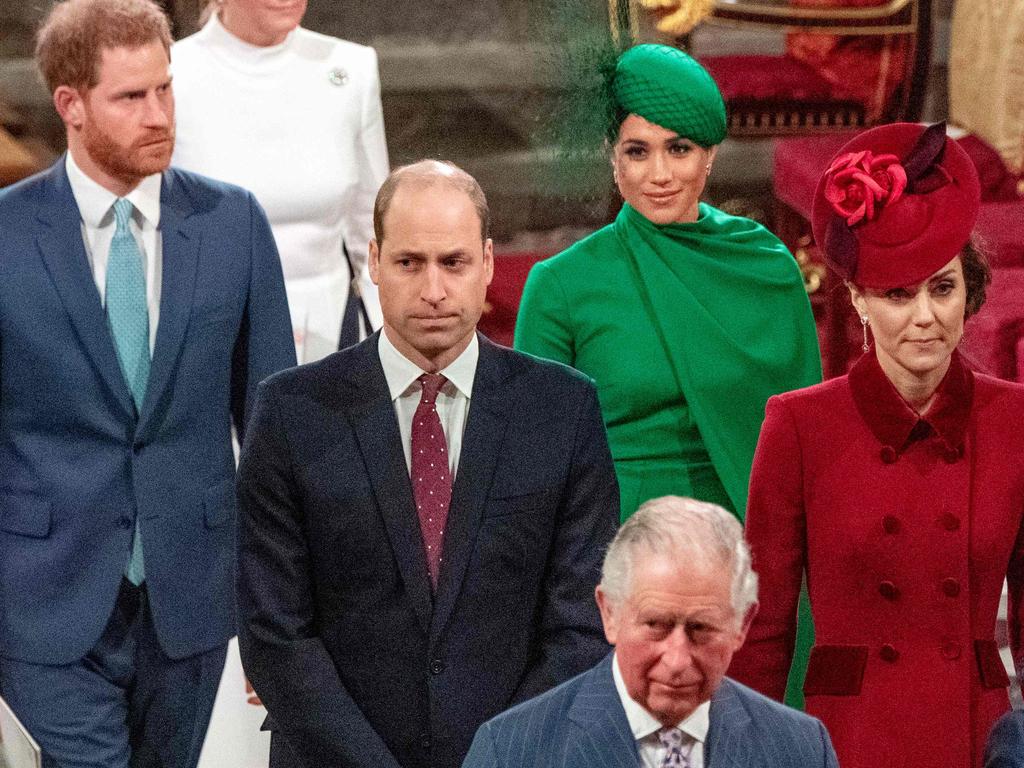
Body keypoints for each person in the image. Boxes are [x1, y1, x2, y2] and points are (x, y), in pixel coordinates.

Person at [236, 160, 620, 768]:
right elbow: (276, 634)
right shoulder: (291, 412)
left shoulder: (563, 410)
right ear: (374, 262)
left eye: (454, 262)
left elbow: (579, 624)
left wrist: (501, 758)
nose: (433, 290)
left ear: (489, 263)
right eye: (410, 263)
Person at [0, 1, 296, 766]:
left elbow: (272, 432)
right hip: (41, 600)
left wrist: (280, 608)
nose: (158, 114)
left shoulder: (234, 224)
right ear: (71, 105)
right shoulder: (5, 236)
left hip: (191, 595)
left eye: (165, 90)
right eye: (131, 97)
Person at [728, 122, 1024, 768]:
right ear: (858, 300)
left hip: (980, 742)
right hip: (847, 741)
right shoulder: (798, 427)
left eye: (941, 289)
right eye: (898, 294)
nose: (924, 316)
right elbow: (763, 637)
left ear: (967, 293)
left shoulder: (1014, 419)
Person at [514, 43, 821, 524]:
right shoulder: (559, 287)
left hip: (749, 531)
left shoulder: (764, 264)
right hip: (620, 542)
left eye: (679, 149)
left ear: (710, 155)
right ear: (612, 158)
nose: (659, 175)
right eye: (637, 152)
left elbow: (805, 435)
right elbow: (536, 465)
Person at [462, 496, 839, 768]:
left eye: (701, 629)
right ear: (609, 613)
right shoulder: (511, 750)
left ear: (742, 624)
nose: (677, 660)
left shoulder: (802, 749)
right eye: (656, 626)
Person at [172, 0, 389, 362]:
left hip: (332, 333)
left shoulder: (351, 67)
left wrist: (388, 345)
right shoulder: (168, 75)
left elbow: (374, 230)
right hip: (207, 338)